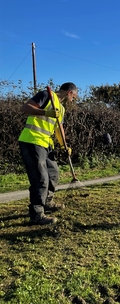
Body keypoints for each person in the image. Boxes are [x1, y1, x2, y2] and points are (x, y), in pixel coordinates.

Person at [18, 82, 78, 225]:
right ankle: (36, 214)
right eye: (74, 96)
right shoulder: (46, 95)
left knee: (53, 173)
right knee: (40, 178)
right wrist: (46, 112)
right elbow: (25, 108)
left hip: (46, 144)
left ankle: (47, 202)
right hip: (32, 140)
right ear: (70, 92)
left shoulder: (61, 108)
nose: (74, 99)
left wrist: (64, 145)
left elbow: (58, 129)